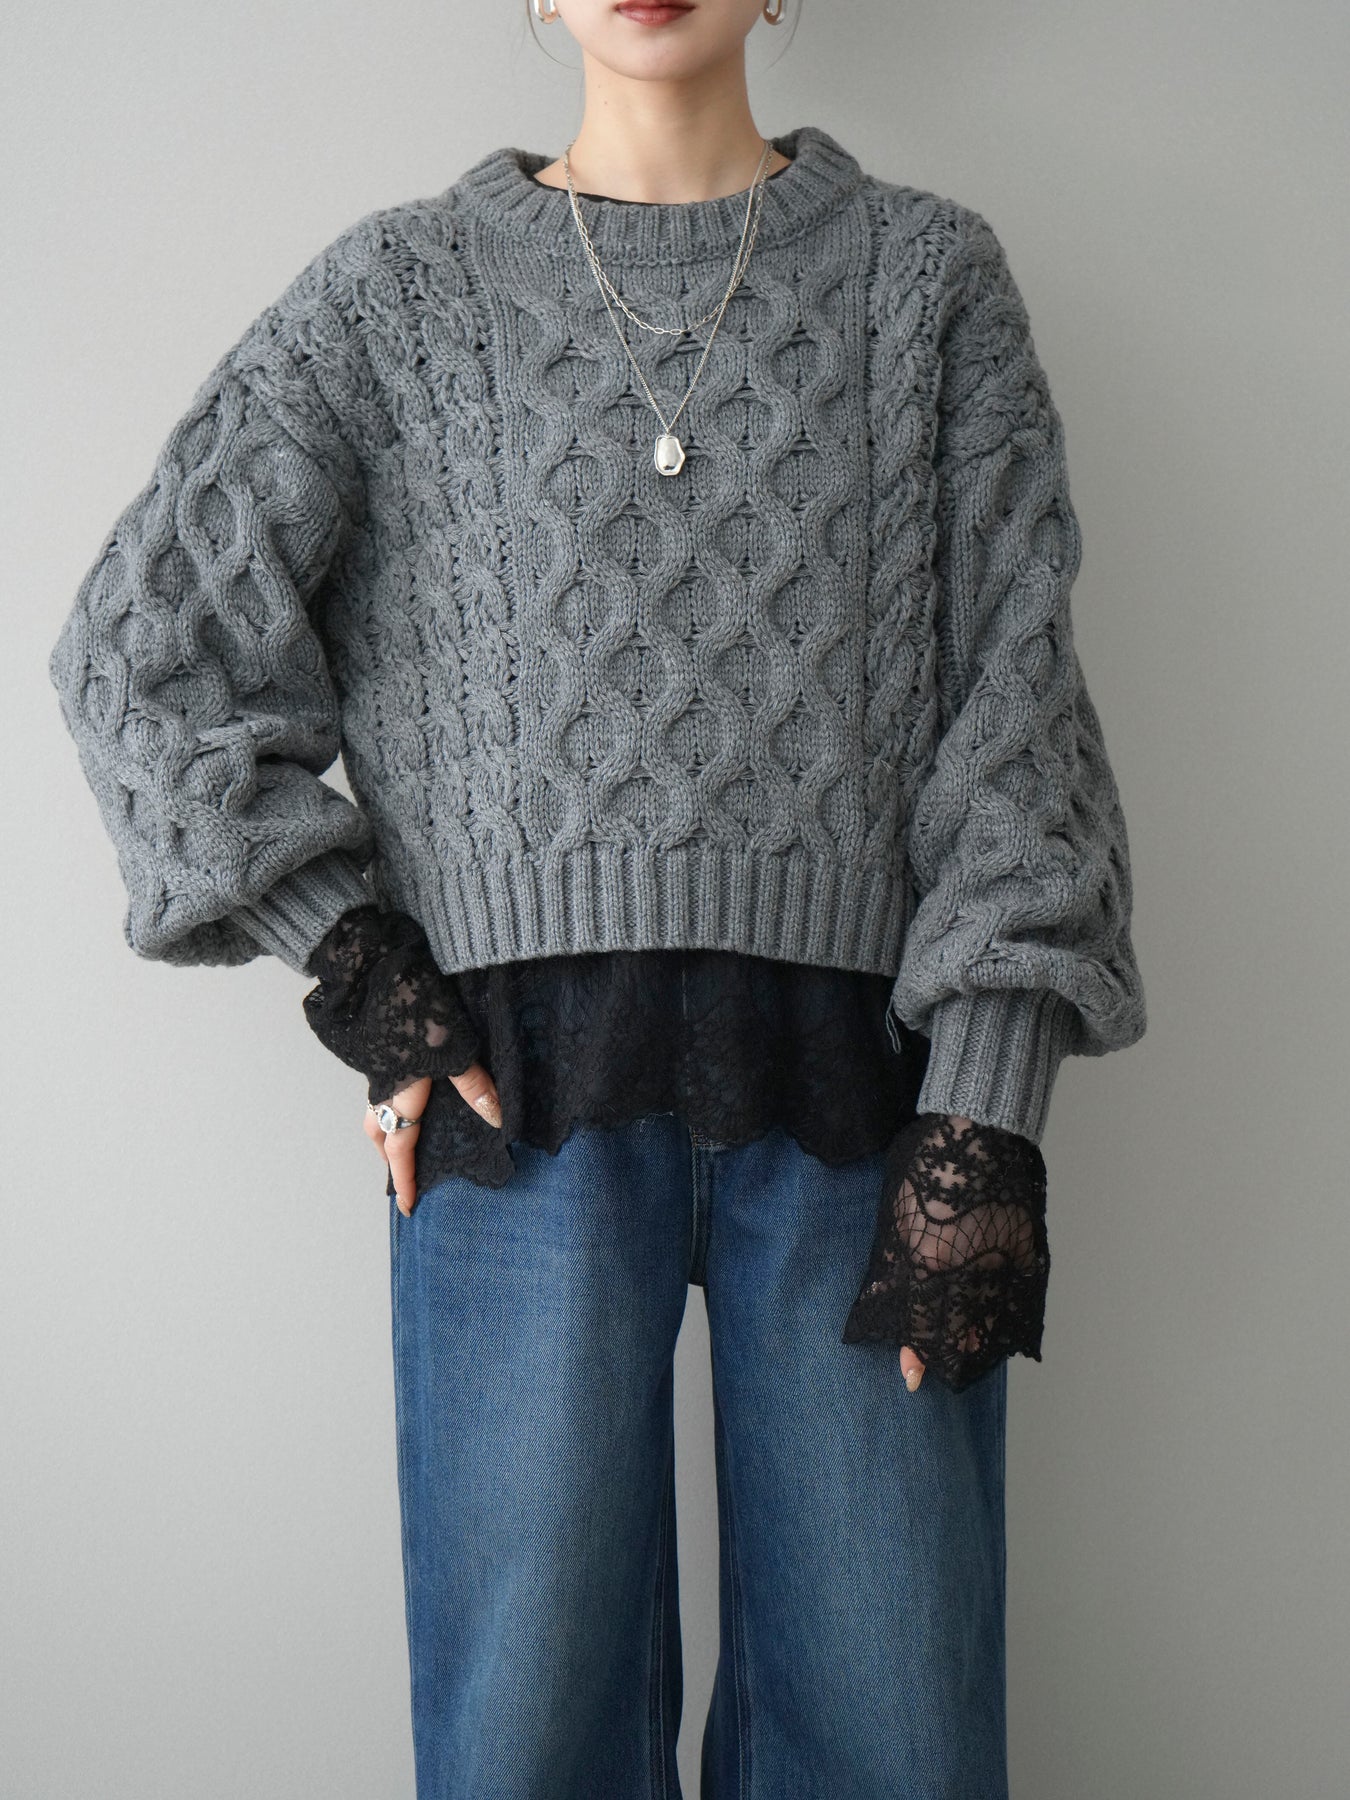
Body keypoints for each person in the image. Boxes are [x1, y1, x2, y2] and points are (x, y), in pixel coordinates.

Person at [46, 0, 1147, 1791]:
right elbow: (142, 649)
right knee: (525, 1740)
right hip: (509, 1103)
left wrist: (988, 1113)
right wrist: (355, 967)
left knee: (894, 1732)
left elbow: (1018, 721)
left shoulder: (928, 283)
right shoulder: (394, 297)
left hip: (873, 1107)